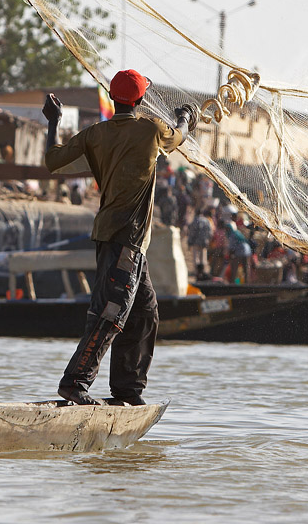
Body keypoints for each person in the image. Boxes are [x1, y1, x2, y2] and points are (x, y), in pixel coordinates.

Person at [42, 69, 196, 406]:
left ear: (113, 98)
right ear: (140, 99)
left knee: (145, 312)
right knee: (112, 311)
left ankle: (127, 390)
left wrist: (53, 122)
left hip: (121, 240)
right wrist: (185, 116)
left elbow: (53, 161)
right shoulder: (151, 129)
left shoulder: (96, 133)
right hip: (126, 239)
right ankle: (74, 383)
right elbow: (181, 135)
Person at [188, 207, 215, 280]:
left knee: (196, 257)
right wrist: (208, 240)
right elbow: (210, 232)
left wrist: (190, 241)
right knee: (203, 257)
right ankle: (203, 271)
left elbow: (192, 232)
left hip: (196, 242)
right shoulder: (206, 221)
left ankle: (197, 272)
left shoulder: (195, 221)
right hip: (204, 242)